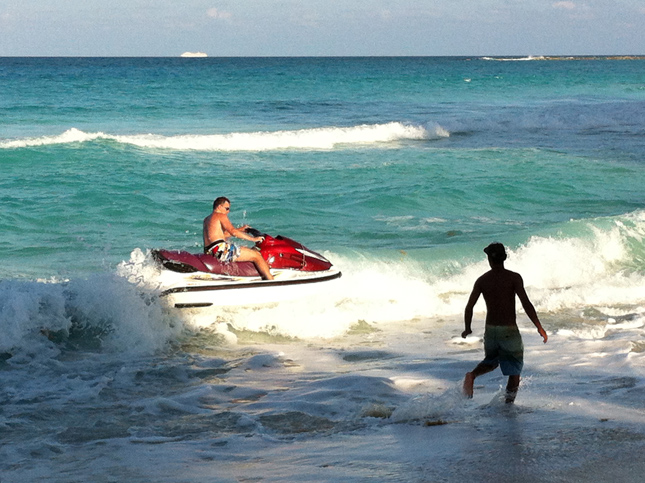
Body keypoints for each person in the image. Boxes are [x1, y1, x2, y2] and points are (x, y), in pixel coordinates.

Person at [461, 242, 547, 403]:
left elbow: (469, 307)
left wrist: (467, 328)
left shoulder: (482, 280)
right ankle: (508, 407)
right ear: (505, 257)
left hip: (491, 330)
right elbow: (526, 303)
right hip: (509, 330)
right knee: (514, 372)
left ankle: (472, 375)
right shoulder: (514, 278)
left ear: (489, 259)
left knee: (491, 362)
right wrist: (539, 327)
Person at [203, 197, 274, 280]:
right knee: (256, 255)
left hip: (210, 251)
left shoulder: (207, 219)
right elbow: (233, 232)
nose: (228, 211)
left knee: (246, 249)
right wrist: (253, 239)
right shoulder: (220, 215)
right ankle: (270, 280)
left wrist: (241, 229)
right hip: (220, 250)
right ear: (219, 207)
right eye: (227, 208)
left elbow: (224, 235)